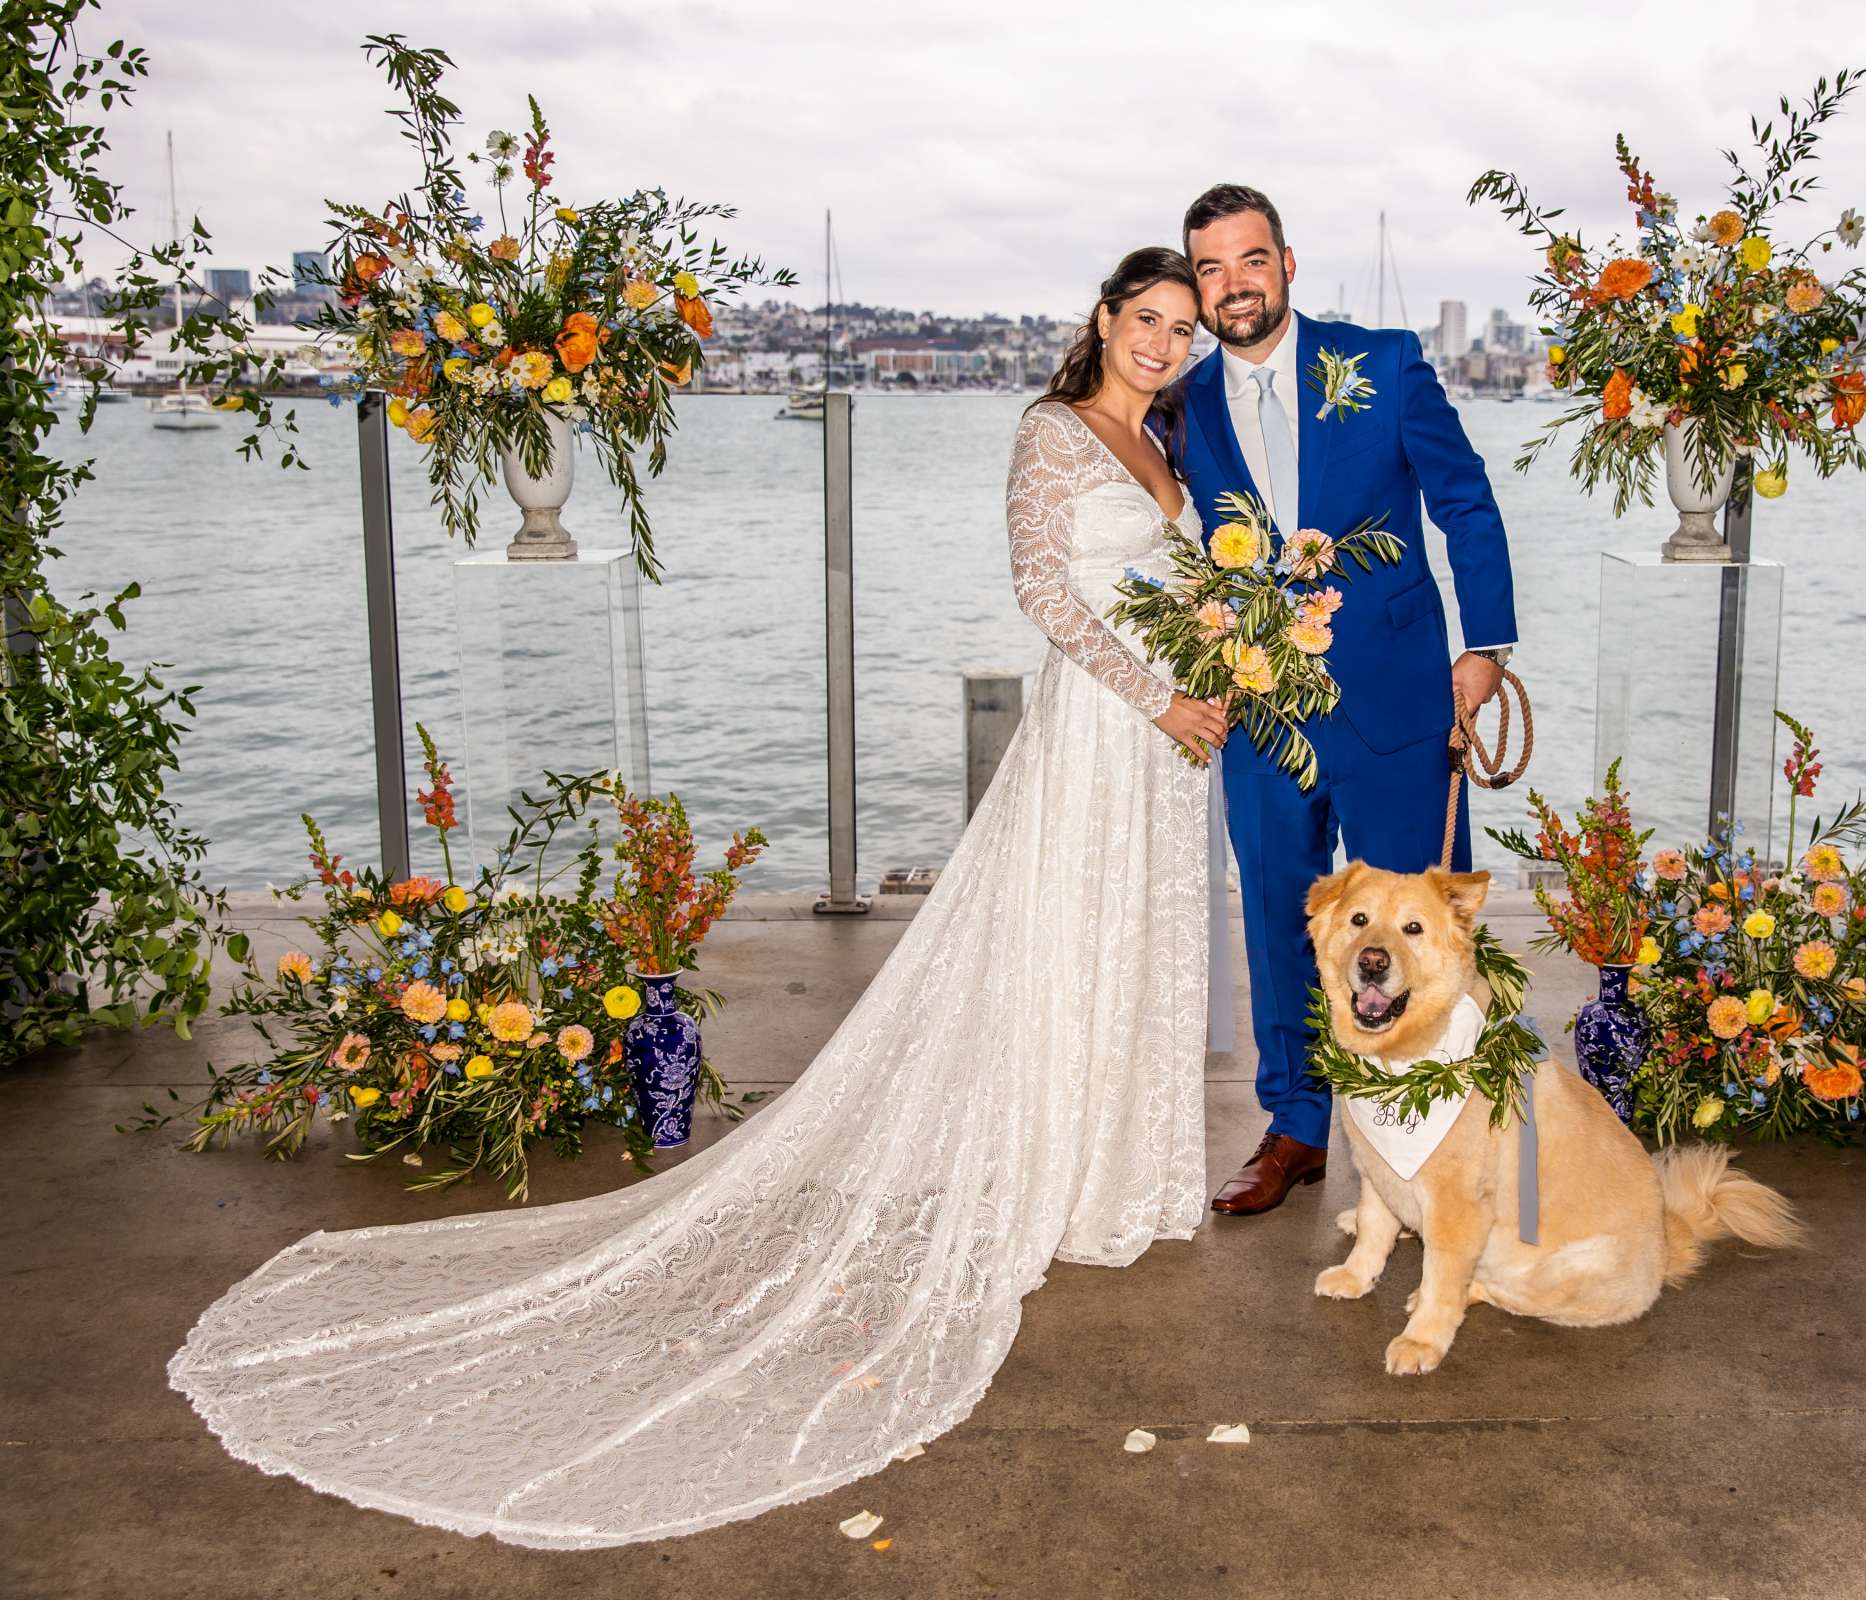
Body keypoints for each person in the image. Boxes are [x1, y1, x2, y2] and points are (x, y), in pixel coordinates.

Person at [167, 247, 1229, 1550]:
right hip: (1104, 733)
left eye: (1183, 327)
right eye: (1148, 320)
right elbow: (1045, 593)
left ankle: (1119, 1177)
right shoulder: (1052, 433)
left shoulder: (1174, 450)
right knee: (1065, 947)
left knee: (1135, 952)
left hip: (1176, 751)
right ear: (1106, 321)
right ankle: (1049, 1176)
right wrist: (1158, 692)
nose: (1164, 343)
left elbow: (1185, 583)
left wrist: (1227, 655)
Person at [1175, 183, 1519, 1216]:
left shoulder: (1385, 362)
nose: (1233, 286)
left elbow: (1463, 498)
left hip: (1398, 697)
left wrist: (1487, 643)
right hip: (1259, 710)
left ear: (1285, 262)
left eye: (1249, 260)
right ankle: (1297, 1126)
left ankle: (1445, 1119)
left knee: (1425, 920)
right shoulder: (1183, 402)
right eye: (1209, 269)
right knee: (1285, 913)